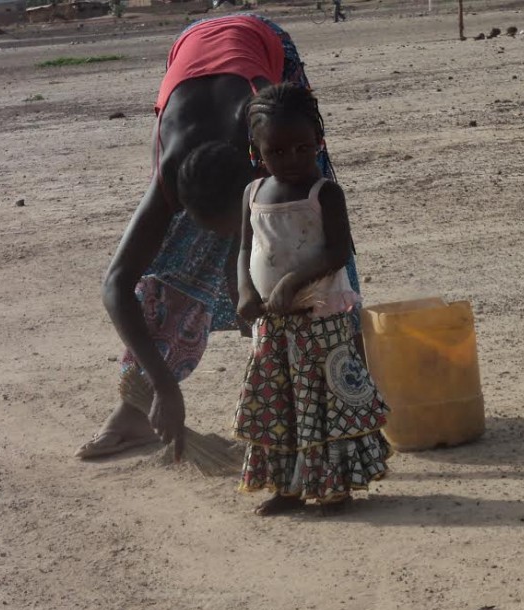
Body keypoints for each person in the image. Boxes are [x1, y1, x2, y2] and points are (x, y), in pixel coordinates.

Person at [76, 13, 360, 460]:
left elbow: (326, 237)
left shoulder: (267, 128)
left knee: (305, 216)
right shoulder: (169, 175)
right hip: (190, 46)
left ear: (254, 170)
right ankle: (136, 410)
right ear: (180, 206)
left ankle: (340, 381)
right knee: (172, 264)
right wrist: (165, 388)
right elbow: (116, 285)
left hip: (258, 42)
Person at [232, 84, 389, 515]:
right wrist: (247, 291)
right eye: (277, 151)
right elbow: (244, 250)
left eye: (304, 147)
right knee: (280, 404)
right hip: (273, 324)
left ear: (319, 142)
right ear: (256, 150)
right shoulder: (252, 194)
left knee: (324, 403)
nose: (293, 159)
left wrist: (293, 283)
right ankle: (287, 488)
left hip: (322, 319)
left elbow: (338, 251)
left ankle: (334, 487)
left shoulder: (325, 194)